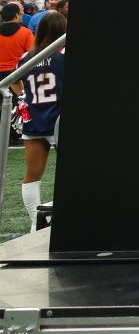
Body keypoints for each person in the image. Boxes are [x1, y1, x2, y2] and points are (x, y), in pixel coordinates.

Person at [11, 12, 66, 231]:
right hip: (60, 117)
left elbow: (15, 81)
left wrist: (23, 96)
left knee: (31, 175)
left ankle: (36, 223)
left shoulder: (27, 57)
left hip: (34, 117)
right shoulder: (64, 52)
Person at [0, 3, 35, 83]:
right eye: (20, 14)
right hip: (15, 75)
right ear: (16, 15)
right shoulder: (25, 32)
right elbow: (33, 53)